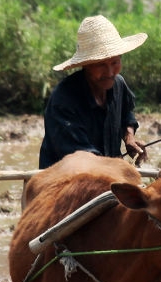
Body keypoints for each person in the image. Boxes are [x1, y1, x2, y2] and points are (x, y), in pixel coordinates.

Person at [39, 15, 149, 170]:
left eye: (115, 62)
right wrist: (119, 167)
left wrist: (129, 137)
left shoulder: (118, 85)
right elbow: (82, 158)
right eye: (101, 65)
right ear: (86, 65)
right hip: (67, 181)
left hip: (107, 175)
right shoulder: (64, 100)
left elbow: (127, 115)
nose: (110, 72)